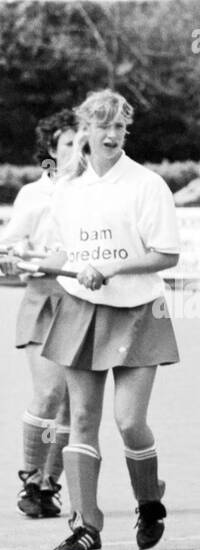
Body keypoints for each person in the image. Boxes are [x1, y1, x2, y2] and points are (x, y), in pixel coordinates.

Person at [31, 89, 181, 550]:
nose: (113, 134)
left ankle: (149, 501)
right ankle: (85, 526)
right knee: (81, 421)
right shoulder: (68, 189)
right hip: (80, 309)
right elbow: (65, 254)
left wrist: (111, 269)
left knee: (129, 421)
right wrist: (39, 264)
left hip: (140, 309)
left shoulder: (146, 184)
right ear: (85, 134)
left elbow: (167, 254)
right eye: (104, 127)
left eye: (120, 126)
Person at [0, 108, 77, 519]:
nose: (75, 152)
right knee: (49, 392)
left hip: (82, 301)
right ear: (50, 150)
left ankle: (50, 485)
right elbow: (9, 245)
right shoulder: (34, 194)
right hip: (43, 299)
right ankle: (29, 477)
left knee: (69, 404)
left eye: (80, 144)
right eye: (67, 145)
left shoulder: (93, 193)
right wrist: (14, 258)